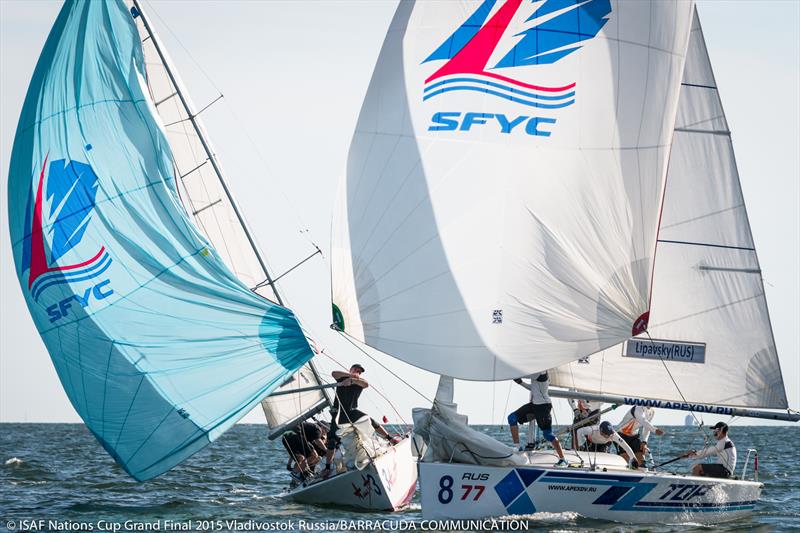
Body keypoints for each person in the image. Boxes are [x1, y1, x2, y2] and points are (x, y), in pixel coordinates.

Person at [322, 364, 396, 478]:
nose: (358, 372)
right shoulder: (341, 377)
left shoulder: (360, 381)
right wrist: (348, 378)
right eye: (356, 370)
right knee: (332, 440)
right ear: (351, 369)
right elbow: (334, 373)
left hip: (352, 411)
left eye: (359, 372)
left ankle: (390, 438)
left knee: (370, 421)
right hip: (338, 414)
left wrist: (352, 380)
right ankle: (327, 467)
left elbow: (366, 384)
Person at [508, 371, 568, 467]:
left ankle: (563, 459)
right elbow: (532, 388)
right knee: (512, 418)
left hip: (543, 406)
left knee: (547, 434)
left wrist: (509, 372)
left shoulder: (541, 372)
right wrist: (521, 382)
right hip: (534, 405)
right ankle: (518, 448)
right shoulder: (535, 372)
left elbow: (522, 372)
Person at [282, 420, 327, 485]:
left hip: (285, 437)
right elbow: (318, 441)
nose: (324, 434)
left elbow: (294, 452)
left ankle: (294, 482)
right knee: (314, 456)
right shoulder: (317, 429)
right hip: (295, 435)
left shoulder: (308, 430)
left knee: (300, 459)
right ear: (323, 427)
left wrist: (289, 464)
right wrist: (327, 450)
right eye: (325, 432)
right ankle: (295, 473)